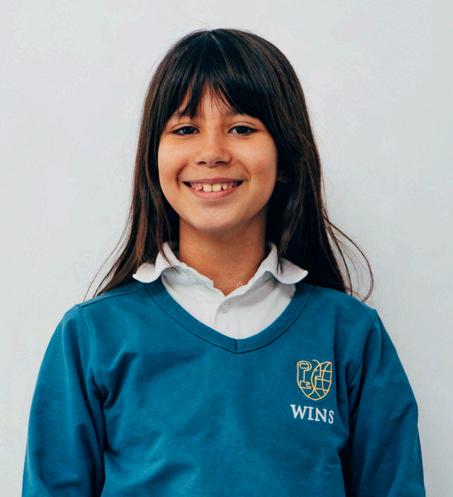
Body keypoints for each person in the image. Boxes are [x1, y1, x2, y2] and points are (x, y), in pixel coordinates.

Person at [21, 28, 426, 496]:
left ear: (286, 155)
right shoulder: (93, 336)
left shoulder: (350, 336)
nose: (212, 153)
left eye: (242, 128)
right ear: (153, 158)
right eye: (185, 129)